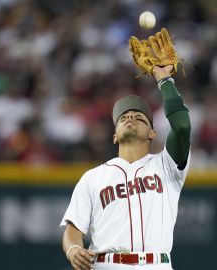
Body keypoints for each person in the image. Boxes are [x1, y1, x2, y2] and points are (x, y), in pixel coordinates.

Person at [60, 64, 191, 270]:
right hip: (106, 265)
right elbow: (73, 230)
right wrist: (73, 249)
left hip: (156, 264)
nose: (130, 117)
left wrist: (165, 80)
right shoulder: (93, 178)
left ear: (152, 133)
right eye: (124, 118)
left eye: (139, 118)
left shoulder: (167, 164)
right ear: (114, 136)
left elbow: (182, 126)